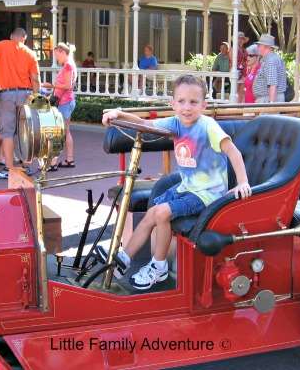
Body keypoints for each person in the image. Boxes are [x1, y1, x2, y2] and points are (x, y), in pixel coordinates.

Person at [98, 75, 251, 290]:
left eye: (193, 102)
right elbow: (145, 124)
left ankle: (158, 266)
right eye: (181, 101)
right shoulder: (176, 123)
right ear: (173, 104)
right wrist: (118, 113)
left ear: (203, 105)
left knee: (161, 212)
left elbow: (232, 151)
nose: (187, 108)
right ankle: (123, 259)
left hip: (207, 194)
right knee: (153, 212)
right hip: (187, 188)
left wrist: (242, 181)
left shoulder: (208, 126)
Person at [0, 27, 41, 179]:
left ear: (11, 36)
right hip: (26, 94)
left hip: (6, 94)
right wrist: (36, 96)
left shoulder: (0, 46)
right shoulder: (30, 53)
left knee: (7, 133)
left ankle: (9, 169)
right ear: (24, 38)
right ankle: (26, 166)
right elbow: (35, 78)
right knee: (26, 131)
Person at [42, 43, 77, 170]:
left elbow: (68, 86)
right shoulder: (70, 64)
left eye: (57, 55)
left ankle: (53, 162)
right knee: (65, 131)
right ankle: (69, 159)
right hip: (67, 101)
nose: (56, 58)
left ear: (62, 52)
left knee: (59, 132)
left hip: (64, 102)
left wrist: (52, 86)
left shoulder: (68, 66)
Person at [252, 34, 287, 102]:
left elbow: (273, 84)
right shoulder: (270, 58)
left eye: (259, 45)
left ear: (266, 47)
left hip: (268, 98)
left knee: (270, 113)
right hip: (268, 98)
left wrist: (271, 104)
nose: (257, 47)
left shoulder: (270, 60)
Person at [234, 32, 249, 100]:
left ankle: (239, 108)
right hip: (236, 72)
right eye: (239, 38)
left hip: (244, 72)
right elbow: (232, 61)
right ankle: (234, 108)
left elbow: (247, 60)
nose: (240, 40)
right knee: (235, 92)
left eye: (242, 39)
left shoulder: (244, 50)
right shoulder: (233, 49)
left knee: (241, 93)